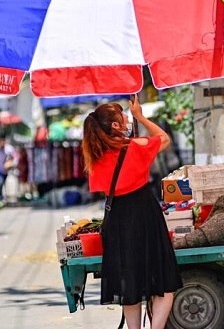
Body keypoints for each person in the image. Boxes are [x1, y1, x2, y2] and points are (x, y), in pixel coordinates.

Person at [83, 96, 182, 329]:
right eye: (123, 116)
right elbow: (164, 138)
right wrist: (141, 117)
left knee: (130, 286)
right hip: (145, 214)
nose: (127, 117)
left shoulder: (96, 156)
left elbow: (100, 187)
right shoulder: (135, 146)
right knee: (165, 284)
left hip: (116, 217)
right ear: (116, 126)